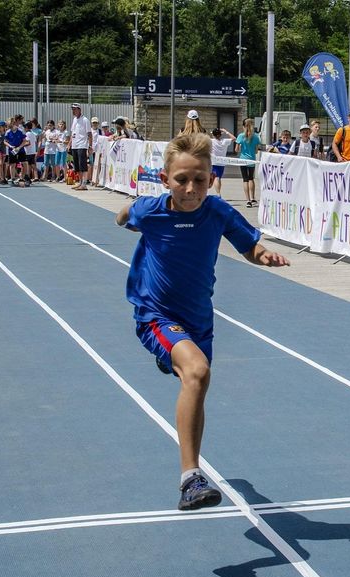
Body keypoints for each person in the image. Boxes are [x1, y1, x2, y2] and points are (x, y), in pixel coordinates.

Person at [114, 133, 290, 510]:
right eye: (182, 180)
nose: (191, 188)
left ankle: (172, 359)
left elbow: (250, 247)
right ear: (165, 180)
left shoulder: (218, 212)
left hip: (198, 320)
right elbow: (127, 215)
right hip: (155, 313)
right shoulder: (153, 210)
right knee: (197, 371)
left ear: (213, 178)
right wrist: (126, 215)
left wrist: (265, 255)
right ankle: (190, 478)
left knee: (196, 376)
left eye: (200, 179)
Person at [235, 118, 262, 207]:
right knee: (251, 179)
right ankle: (253, 198)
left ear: (243, 126)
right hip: (252, 160)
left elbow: (236, 149)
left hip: (243, 159)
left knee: (245, 179)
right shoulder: (256, 137)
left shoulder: (240, 136)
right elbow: (256, 151)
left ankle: (248, 200)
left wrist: (242, 149)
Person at [69, 103, 92, 190]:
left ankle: (84, 183)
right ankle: (80, 182)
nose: (73, 111)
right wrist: (69, 144)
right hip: (75, 145)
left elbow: (89, 134)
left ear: (79, 109)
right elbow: (72, 133)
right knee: (77, 166)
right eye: (72, 109)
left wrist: (90, 146)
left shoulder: (85, 120)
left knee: (83, 165)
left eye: (75, 109)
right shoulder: (74, 120)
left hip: (82, 145)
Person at [209, 127, 235, 196]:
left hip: (214, 162)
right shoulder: (224, 141)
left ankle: (218, 193)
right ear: (220, 135)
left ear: (214, 135)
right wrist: (226, 131)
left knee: (216, 178)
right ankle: (218, 192)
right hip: (222, 162)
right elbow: (234, 138)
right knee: (218, 177)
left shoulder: (211, 141)